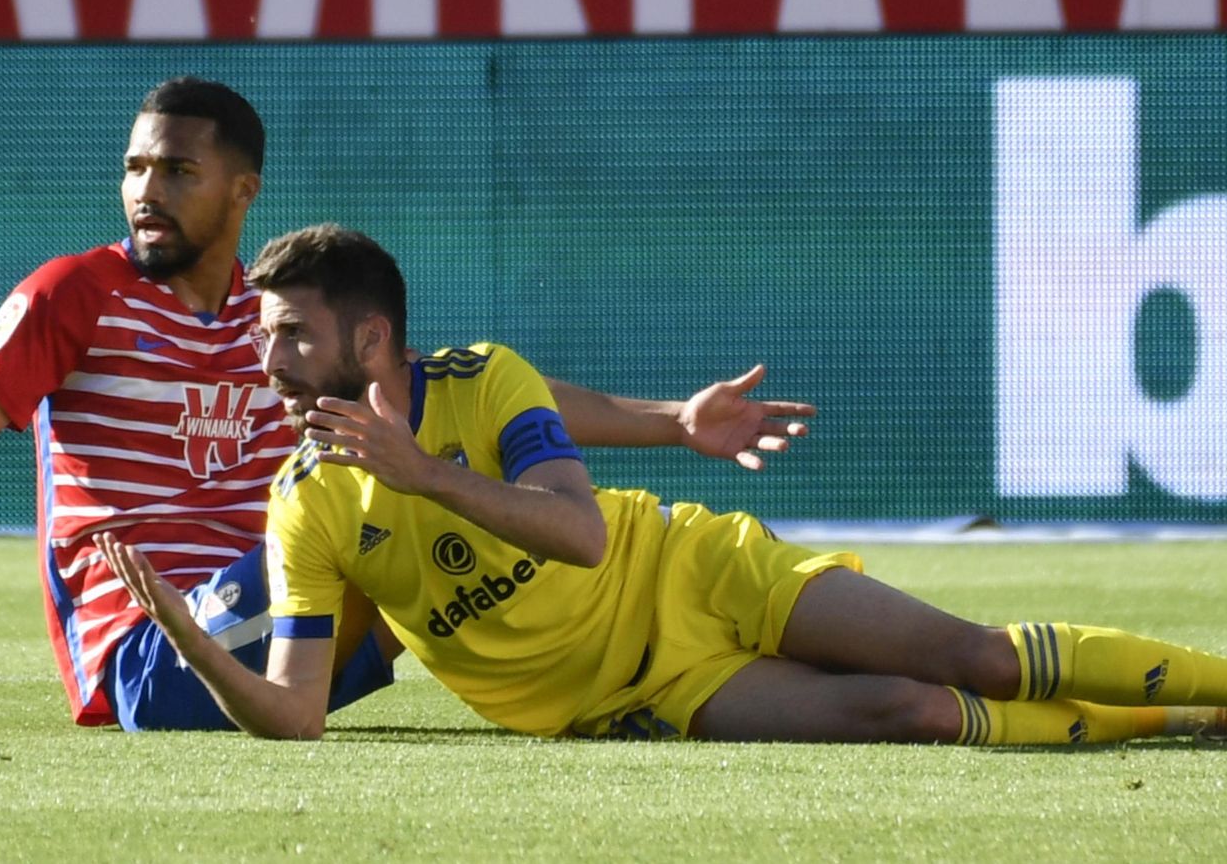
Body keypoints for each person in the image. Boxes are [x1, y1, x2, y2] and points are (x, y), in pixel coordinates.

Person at [0, 78, 816, 732]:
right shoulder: (74, 296)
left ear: (243, 191)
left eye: (177, 172)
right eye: (135, 168)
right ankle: (636, 675)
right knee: (442, 528)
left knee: (460, 500)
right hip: (156, 651)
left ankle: (709, 676)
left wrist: (672, 422)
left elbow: (457, 395)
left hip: (290, 613)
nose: (146, 191)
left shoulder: (280, 318)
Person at [95, 223, 1227, 744]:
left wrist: (425, 477)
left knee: (974, 657)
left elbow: (581, 536)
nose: (267, 360)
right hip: (637, 692)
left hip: (689, 571)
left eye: (290, 334)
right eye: (262, 335)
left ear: (373, 338)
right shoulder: (306, 503)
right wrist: (190, 638)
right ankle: (1174, 718)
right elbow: (296, 714)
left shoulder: (487, 379)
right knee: (913, 711)